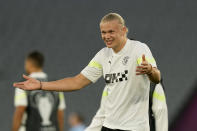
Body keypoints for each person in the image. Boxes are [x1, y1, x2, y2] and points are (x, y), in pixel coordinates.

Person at [14, 13, 161, 131]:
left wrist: (149, 71)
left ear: (123, 30)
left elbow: (157, 77)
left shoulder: (138, 48)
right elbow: (77, 82)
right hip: (109, 126)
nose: (106, 36)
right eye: (103, 32)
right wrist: (40, 85)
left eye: (111, 31)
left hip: (135, 127)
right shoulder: (103, 55)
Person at [12, 51, 66, 131]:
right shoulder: (55, 84)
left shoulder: (24, 84)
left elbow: (20, 111)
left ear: (29, 63)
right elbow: (60, 114)